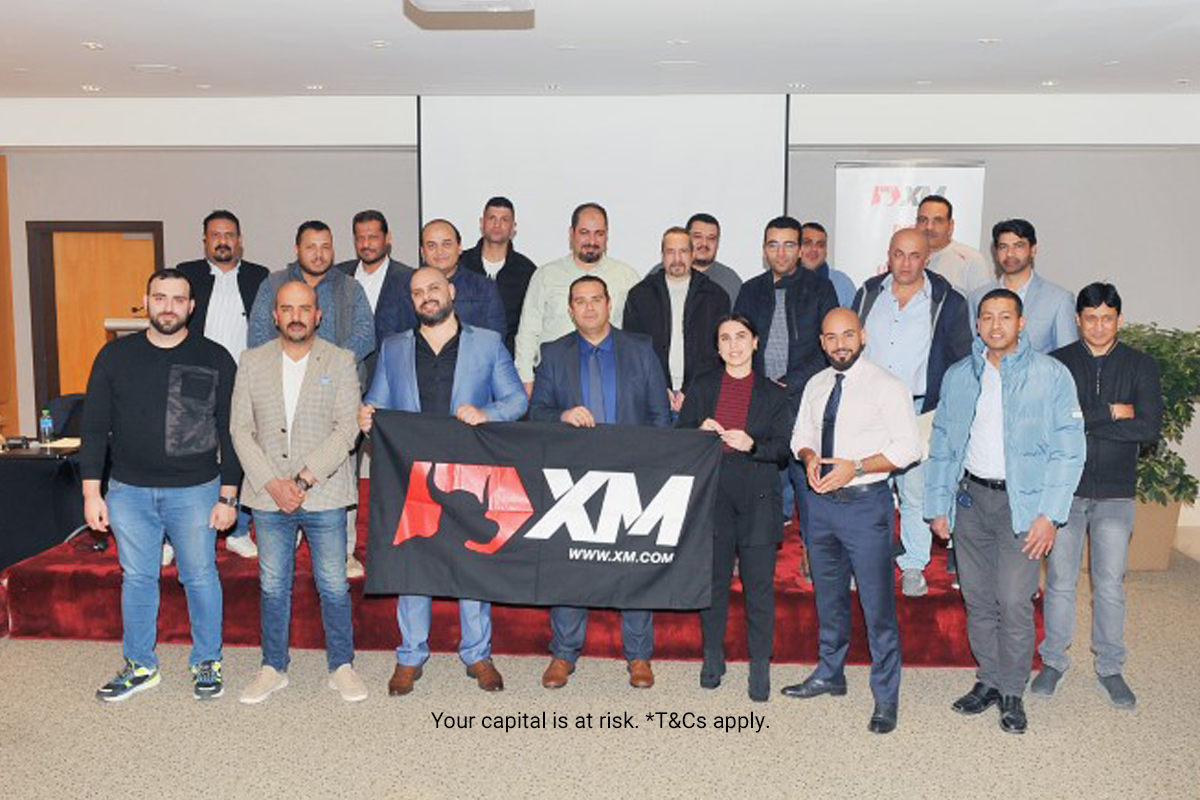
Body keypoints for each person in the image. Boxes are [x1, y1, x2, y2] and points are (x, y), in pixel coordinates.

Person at [360, 267, 528, 696]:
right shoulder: (394, 347)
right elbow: (377, 402)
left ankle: (477, 653)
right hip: (413, 474)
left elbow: (516, 400)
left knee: (472, 561)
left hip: (469, 472)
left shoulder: (487, 342)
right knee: (413, 560)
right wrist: (367, 416)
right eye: (418, 292)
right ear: (412, 300)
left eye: (434, 288)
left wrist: (487, 413)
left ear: (451, 291)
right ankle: (410, 655)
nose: (427, 297)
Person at [925, 288, 1085, 734]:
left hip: (1025, 506)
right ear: (977, 325)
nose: (995, 325)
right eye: (987, 317)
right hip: (971, 501)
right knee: (977, 599)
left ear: (1021, 323)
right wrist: (938, 505)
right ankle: (989, 680)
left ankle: (1013, 690)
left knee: (1014, 601)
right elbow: (943, 444)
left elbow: (1069, 450)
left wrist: (1050, 515)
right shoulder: (959, 376)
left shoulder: (1051, 375)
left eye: (1005, 317)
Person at [81, 269, 240, 702]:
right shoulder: (114, 357)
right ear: (146, 301)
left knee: (200, 576)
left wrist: (229, 495)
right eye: (160, 297)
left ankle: (207, 660)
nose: (168, 307)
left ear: (192, 306)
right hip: (128, 492)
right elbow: (93, 428)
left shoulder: (215, 357)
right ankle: (140, 665)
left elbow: (232, 431)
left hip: (196, 490)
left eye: (178, 299)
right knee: (137, 578)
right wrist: (92, 492)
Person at [784, 308, 921, 734]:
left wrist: (856, 467)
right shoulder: (816, 384)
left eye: (847, 335)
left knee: (877, 607)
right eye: (831, 337)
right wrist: (809, 457)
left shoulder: (887, 385)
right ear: (821, 342)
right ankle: (830, 673)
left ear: (863, 336)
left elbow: (909, 448)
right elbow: (800, 435)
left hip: (866, 506)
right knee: (828, 598)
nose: (839, 344)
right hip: (820, 506)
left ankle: (886, 696)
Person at [530, 275, 671, 689]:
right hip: (573, 481)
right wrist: (561, 416)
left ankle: (639, 655)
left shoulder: (641, 349)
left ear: (610, 304)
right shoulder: (553, 353)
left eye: (596, 299)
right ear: (570, 309)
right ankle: (564, 653)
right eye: (580, 301)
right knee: (569, 566)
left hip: (633, 475)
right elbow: (535, 413)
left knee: (634, 565)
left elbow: (660, 416)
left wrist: (655, 472)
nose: (589, 307)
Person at [231, 281, 367, 704]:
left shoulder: (341, 360)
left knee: (333, 585)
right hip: (268, 494)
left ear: (317, 315)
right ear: (275, 316)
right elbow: (240, 429)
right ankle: (273, 667)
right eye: (287, 308)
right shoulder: (251, 361)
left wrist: (304, 479)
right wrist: (273, 483)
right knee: (273, 586)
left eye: (304, 308)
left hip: (323, 492)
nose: (296, 316)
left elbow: (347, 429)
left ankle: (341, 666)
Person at [1033, 283, 1163, 709]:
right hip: (1065, 492)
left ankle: (1110, 668)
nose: (1099, 326)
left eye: (1107, 318)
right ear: (1077, 320)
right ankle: (1053, 661)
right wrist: (1111, 412)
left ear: (1119, 320)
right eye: (1091, 318)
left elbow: (1148, 428)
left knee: (1109, 585)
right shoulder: (1058, 363)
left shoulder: (1140, 365)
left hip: (1115, 494)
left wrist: (1081, 422)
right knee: (1060, 582)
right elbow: (1051, 423)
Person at [247, 220, 376, 577]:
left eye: (325, 246)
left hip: (336, 395)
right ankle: (284, 539)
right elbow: (258, 334)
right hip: (280, 394)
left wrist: (328, 367)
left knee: (340, 468)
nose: (319, 254)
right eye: (311, 246)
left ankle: (344, 551)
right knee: (279, 461)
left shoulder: (349, 287)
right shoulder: (273, 283)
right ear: (297, 249)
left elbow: (366, 333)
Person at [852, 228, 972, 596]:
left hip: (919, 411)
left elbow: (962, 359)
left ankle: (913, 566)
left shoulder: (948, 300)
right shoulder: (868, 293)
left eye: (914, 255)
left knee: (915, 491)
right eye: (898, 254)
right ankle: (864, 563)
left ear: (927, 258)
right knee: (866, 491)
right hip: (870, 410)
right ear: (888, 255)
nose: (905, 263)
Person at [677, 314, 790, 701]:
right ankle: (713, 657)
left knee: (759, 588)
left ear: (756, 342)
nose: (734, 345)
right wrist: (698, 434)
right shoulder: (703, 386)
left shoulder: (774, 393)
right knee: (714, 583)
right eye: (725, 338)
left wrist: (752, 445)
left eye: (741, 336)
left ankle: (760, 665)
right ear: (717, 347)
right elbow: (679, 439)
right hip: (713, 496)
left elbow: (783, 450)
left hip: (757, 497)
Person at [733, 215, 839, 527]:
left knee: (806, 479)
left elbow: (828, 348)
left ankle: (812, 546)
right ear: (764, 250)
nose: (780, 253)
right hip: (759, 398)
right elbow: (738, 343)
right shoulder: (750, 290)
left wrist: (788, 384)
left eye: (789, 245)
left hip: (803, 398)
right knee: (758, 478)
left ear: (800, 249)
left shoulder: (820, 288)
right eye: (773, 245)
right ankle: (759, 539)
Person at [176, 209, 269, 559]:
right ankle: (175, 535)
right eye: (215, 235)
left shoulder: (259, 276)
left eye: (229, 235)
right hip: (194, 375)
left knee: (242, 450)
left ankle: (239, 529)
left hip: (245, 378)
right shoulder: (187, 273)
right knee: (189, 450)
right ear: (205, 241)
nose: (223, 241)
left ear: (240, 240)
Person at [514, 202, 640, 393]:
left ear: (607, 236)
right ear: (571, 234)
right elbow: (528, 331)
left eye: (599, 233)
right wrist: (525, 378)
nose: (592, 241)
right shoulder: (546, 275)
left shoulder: (626, 277)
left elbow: (636, 337)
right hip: (555, 380)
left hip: (612, 380)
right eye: (584, 233)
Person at [623, 226, 730, 414]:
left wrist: (689, 388)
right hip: (651, 393)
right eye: (671, 252)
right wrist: (659, 386)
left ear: (692, 254)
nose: (677, 258)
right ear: (662, 256)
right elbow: (633, 347)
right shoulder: (640, 294)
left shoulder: (715, 296)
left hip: (701, 394)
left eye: (683, 251)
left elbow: (716, 350)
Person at [374, 218, 505, 344]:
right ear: (422, 252)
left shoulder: (484, 288)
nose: (440, 252)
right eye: (431, 246)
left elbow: (495, 340)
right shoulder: (399, 286)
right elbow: (386, 337)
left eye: (447, 244)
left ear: (459, 247)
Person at [968, 219, 1077, 354]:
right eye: (1003, 247)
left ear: (1033, 250)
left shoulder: (1059, 300)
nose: (1010, 253)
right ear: (996, 252)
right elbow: (972, 351)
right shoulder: (977, 297)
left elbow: (1068, 357)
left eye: (1018, 246)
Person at [459, 196, 538, 354]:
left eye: (504, 220)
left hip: (508, 358)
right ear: (482, 223)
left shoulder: (527, 270)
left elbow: (530, 324)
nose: (497, 225)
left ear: (513, 227)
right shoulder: (461, 263)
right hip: (463, 355)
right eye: (492, 218)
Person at [333, 209, 415, 317]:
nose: (366, 244)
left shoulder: (407, 279)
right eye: (360, 238)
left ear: (387, 238)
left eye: (373, 237)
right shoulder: (338, 274)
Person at [649, 213, 743, 303]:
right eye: (698, 236)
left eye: (711, 238)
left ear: (718, 243)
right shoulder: (658, 274)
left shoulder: (730, 280)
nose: (704, 243)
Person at [916, 195, 991, 296]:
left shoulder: (971, 260)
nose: (929, 227)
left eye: (938, 221)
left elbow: (984, 303)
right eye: (923, 220)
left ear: (950, 225)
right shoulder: (904, 258)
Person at [799, 222, 856, 308]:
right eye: (807, 243)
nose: (814, 249)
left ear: (826, 252)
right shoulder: (783, 279)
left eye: (820, 245)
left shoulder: (842, 283)